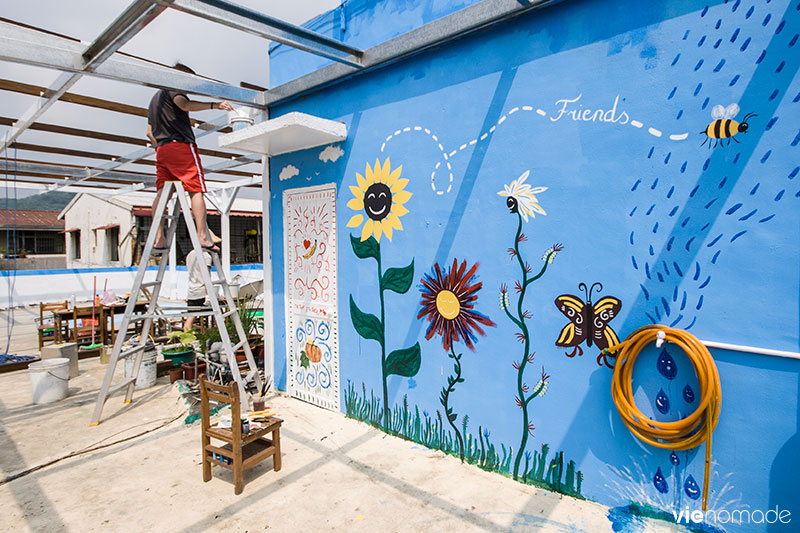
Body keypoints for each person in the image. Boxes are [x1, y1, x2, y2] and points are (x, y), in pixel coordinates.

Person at [146, 63, 234, 253]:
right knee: (196, 189)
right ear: (180, 76)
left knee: (163, 193)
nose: (190, 86)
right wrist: (215, 105)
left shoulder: (155, 100)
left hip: (162, 149)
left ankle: (159, 238)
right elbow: (184, 104)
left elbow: (149, 133)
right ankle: (202, 236)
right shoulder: (174, 89)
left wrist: (163, 146)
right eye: (190, 81)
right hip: (180, 146)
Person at [184, 230, 222, 330]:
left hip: (192, 291)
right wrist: (209, 295)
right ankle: (219, 336)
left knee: (190, 317)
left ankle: (185, 340)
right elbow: (206, 277)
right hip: (202, 291)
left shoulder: (190, 254)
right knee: (216, 316)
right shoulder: (206, 256)